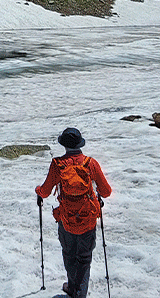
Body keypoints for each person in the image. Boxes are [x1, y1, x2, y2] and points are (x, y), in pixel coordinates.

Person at [36, 127, 112, 298]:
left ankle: (72, 287)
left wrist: (37, 191)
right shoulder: (90, 163)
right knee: (84, 258)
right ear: (79, 144)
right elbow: (106, 191)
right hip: (88, 218)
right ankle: (80, 292)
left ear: (64, 145)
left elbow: (45, 191)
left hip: (66, 219)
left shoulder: (58, 165)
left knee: (69, 254)